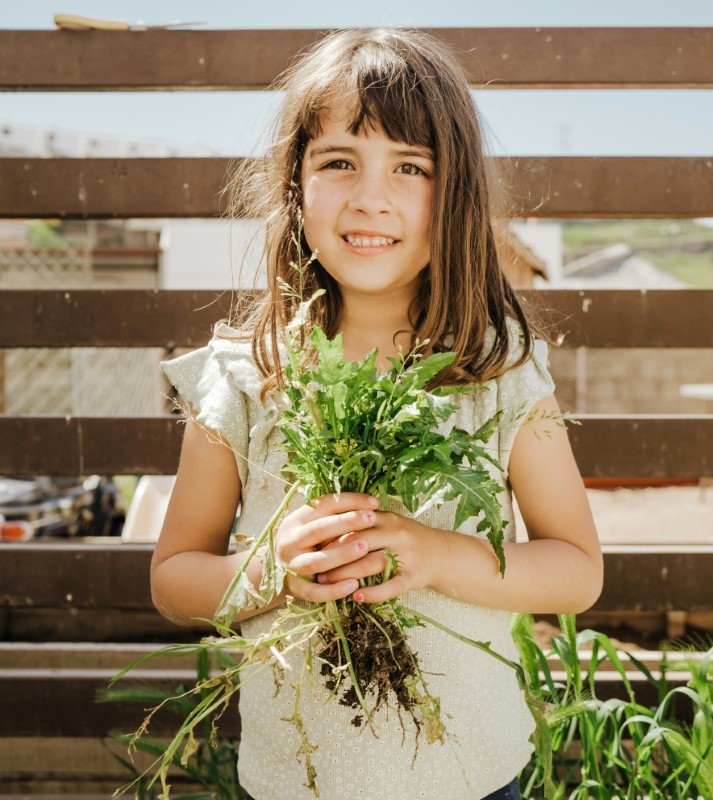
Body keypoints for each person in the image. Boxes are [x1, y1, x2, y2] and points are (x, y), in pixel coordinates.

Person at [150, 27, 603, 800]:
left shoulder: (497, 366)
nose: (371, 196)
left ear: (453, 191)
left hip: (476, 777)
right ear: (293, 184)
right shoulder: (246, 373)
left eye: (410, 167)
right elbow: (174, 579)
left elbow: (577, 569)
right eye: (338, 162)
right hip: (299, 783)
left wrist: (436, 555)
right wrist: (272, 573)